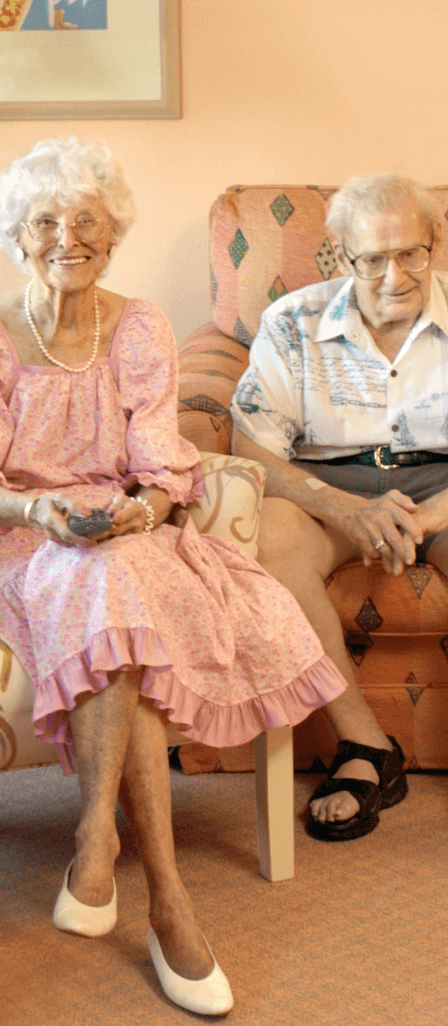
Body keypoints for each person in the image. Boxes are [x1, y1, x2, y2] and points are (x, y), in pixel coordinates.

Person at [0, 137, 347, 1016]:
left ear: (112, 236)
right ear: (18, 236)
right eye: (46, 222)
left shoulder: (140, 326)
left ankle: (100, 848)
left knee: (115, 591)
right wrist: (42, 513)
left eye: (88, 221)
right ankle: (166, 898)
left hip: (116, 536)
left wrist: (140, 516)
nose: (67, 238)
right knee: (112, 595)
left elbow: (159, 467)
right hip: (2, 545)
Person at [231, 173, 440, 841]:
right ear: (343, 257)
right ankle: (366, 746)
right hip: (327, 484)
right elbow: (251, 450)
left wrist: (425, 520)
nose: (394, 276)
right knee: (268, 539)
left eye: (410, 253)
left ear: (434, 245)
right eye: (372, 259)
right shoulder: (292, 322)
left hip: (442, 485)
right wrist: (346, 508)